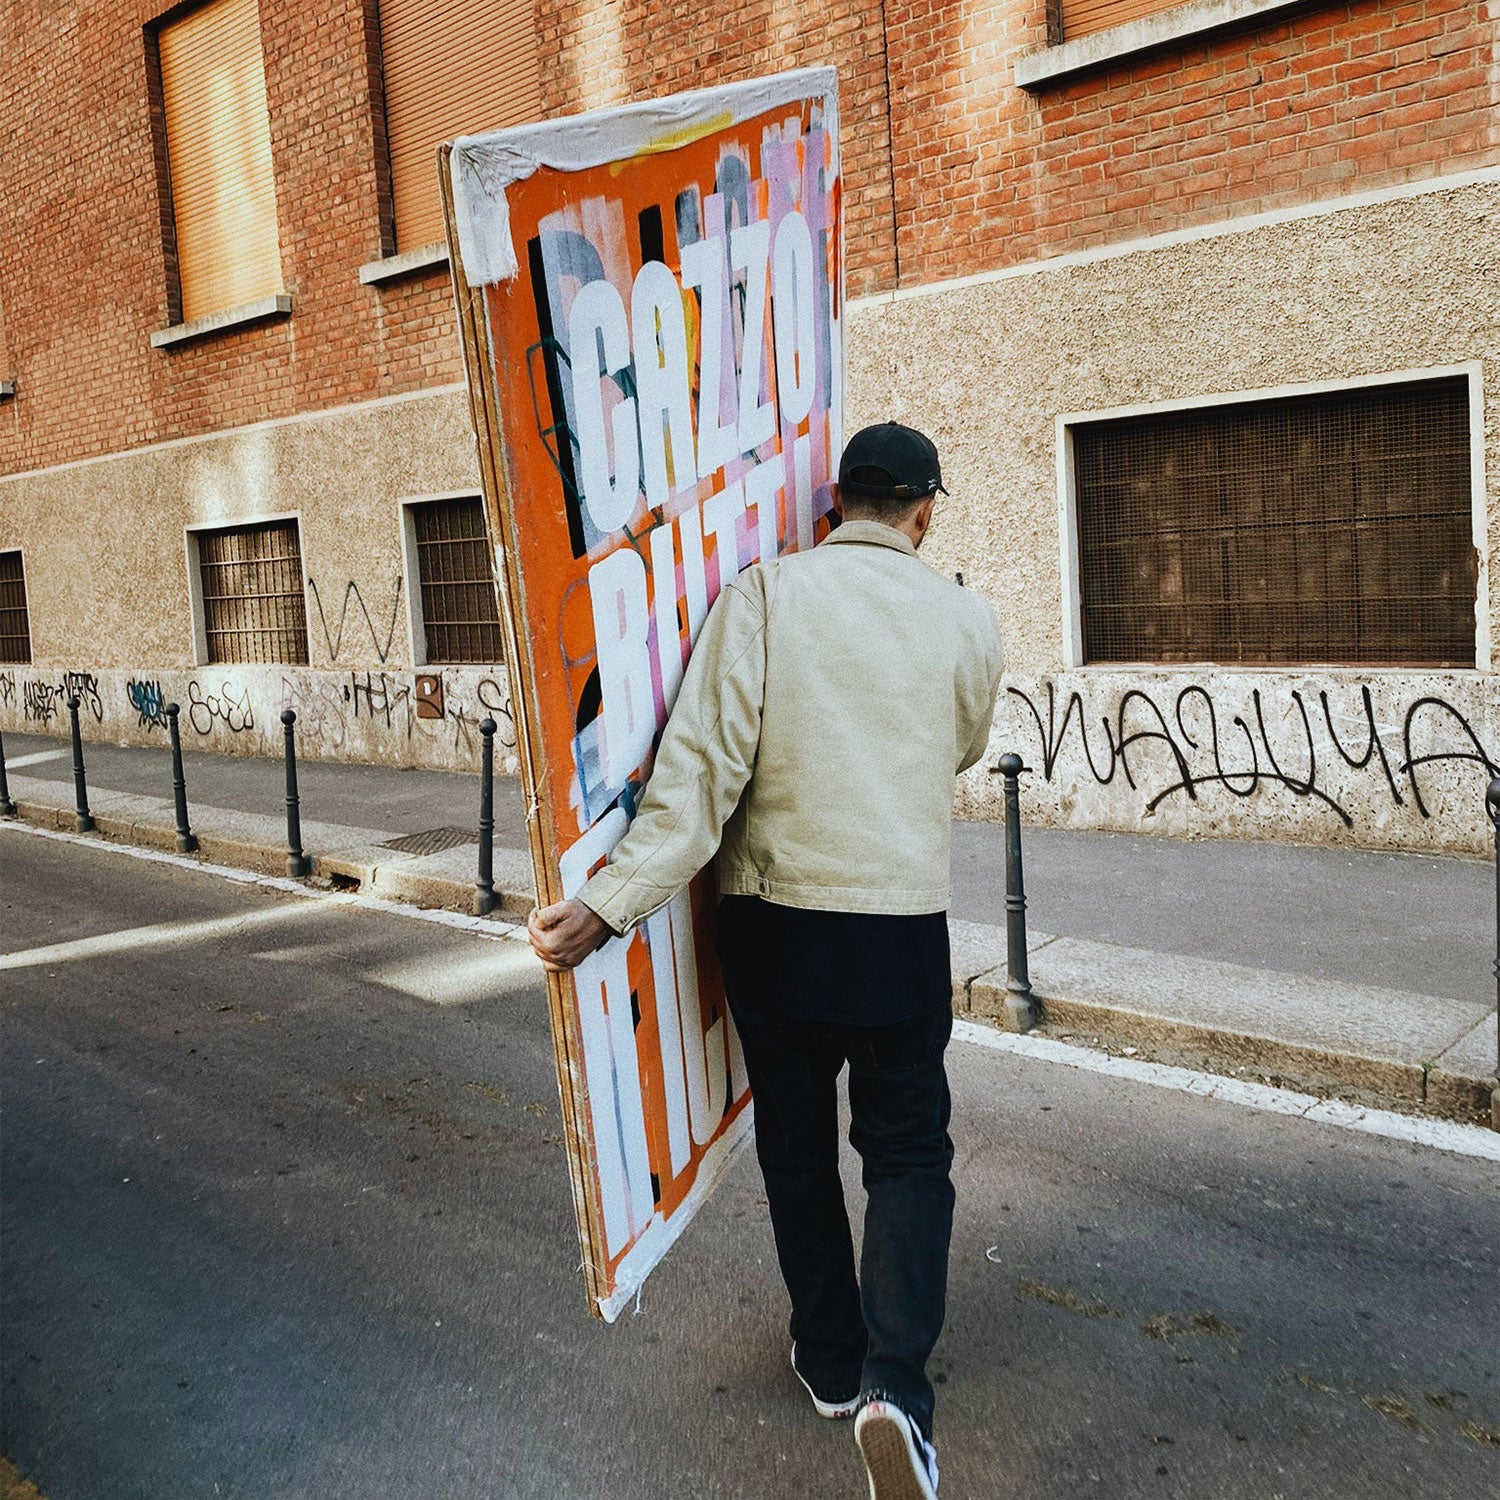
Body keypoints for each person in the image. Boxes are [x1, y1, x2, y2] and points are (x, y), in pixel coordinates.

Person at [528, 422, 1004, 1500]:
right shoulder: (967, 621)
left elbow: (698, 777)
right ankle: (894, 1388)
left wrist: (607, 907)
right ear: (925, 512)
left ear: (836, 506)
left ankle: (830, 1362)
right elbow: (963, 743)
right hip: (900, 926)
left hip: (776, 923)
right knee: (908, 1151)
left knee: (797, 1146)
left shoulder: (765, 596)